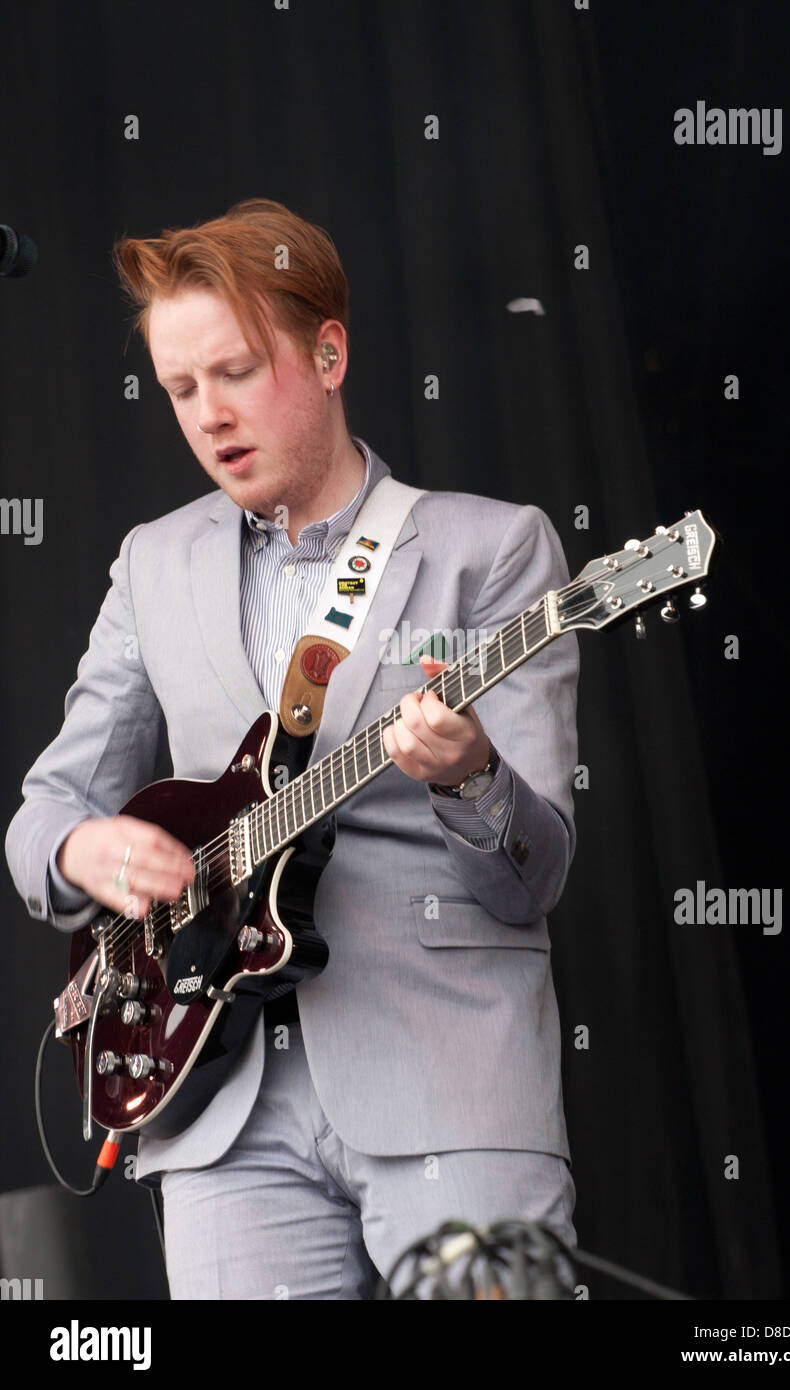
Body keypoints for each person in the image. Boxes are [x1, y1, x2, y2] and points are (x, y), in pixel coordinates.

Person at [5, 198, 581, 1300]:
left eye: (233, 372)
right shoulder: (153, 562)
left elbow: (536, 875)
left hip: (449, 1089)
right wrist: (85, 851)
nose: (207, 414)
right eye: (181, 389)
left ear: (328, 353)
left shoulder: (488, 549)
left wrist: (467, 776)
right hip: (221, 1119)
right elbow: (43, 812)